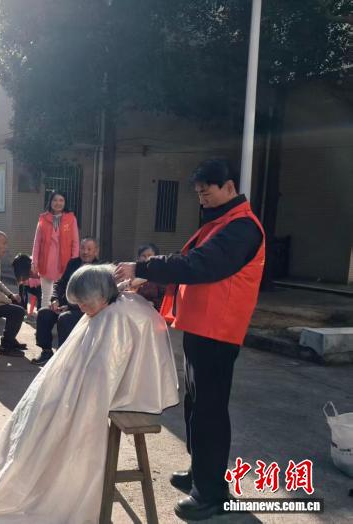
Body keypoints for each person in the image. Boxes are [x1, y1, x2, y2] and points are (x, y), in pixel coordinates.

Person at [0, 265, 180, 522]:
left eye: (85, 303)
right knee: (38, 420)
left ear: (102, 296)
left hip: (106, 395)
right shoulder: (108, 305)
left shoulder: (117, 318)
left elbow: (106, 376)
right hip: (75, 383)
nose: (82, 309)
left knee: (48, 424)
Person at [114, 159, 265, 521]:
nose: (202, 199)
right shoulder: (220, 223)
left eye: (206, 191)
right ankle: (201, 472)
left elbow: (199, 265)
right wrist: (146, 279)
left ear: (229, 187)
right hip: (201, 327)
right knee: (195, 404)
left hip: (219, 332)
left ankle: (211, 494)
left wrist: (143, 267)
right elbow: (189, 261)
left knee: (210, 410)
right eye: (198, 193)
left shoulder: (242, 228)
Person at [33, 237, 101, 366]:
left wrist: (70, 307)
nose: (85, 252)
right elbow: (60, 283)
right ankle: (46, 351)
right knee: (43, 313)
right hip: (65, 305)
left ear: (96, 251)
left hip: (84, 309)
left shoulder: (99, 268)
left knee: (65, 318)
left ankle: (63, 356)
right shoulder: (73, 263)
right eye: (83, 248)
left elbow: (94, 296)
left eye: (89, 249)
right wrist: (55, 299)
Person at [32, 190, 79, 308]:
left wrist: (74, 262)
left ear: (65, 202)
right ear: (50, 201)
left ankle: (59, 318)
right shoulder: (43, 219)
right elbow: (37, 242)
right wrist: (34, 262)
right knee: (46, 296)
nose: (58, 203)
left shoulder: (71, 219)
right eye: (55, 200)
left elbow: (75, 242)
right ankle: (43, 317)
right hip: (46, 262)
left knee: (62, 295)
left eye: (61, 200)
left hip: (65, 262)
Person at [134, 243, 165, 310]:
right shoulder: (133, 272)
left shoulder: (161, 276)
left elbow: (165, 299)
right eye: (143, 256)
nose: (146, 258)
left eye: (149, 255)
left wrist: (153, 303)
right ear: (138, 257)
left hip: (154, 311)